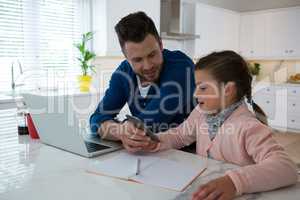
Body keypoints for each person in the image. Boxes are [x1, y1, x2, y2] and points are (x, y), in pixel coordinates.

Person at [132, 50, 298, 199]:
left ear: (227, 89)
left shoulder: (249, 127)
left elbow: (286, 168)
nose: (196, 94)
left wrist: (235, 182)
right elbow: (180, 135)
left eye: (202, 88)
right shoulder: (201, 113)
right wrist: (154, 140)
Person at [89, 11, 195, 152]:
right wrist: (119, 130)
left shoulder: (181, 67)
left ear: (161, 45)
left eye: (152, 55)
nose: (148, 66)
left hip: (189, 155)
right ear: (126, 57)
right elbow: (96, 120)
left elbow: (150, 124)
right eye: (137, 60)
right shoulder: (123, 74)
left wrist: (122, 129)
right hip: (147, 155)